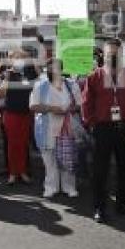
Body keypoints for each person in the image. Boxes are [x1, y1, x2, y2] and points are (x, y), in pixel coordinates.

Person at [82, 38, 125, 223]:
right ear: (104, 55)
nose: (113, 57)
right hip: (102, 129)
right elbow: (86, 103)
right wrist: (91, 123)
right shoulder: (94, 77)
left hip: (124, 128)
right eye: (109, 54)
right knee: (100, 171)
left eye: (116, 54)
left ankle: (123, 204)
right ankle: (99, 208)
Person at [30, 58, 83, 198]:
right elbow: (33, 106)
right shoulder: (40, 86)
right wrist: (51, 108)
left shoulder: (71, 85)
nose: (53, 71)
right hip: (47, 128)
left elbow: (79, 104)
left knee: (68, 158)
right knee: (50, 159)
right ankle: (51, 187)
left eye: (57, 68)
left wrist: (70, 109)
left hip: (67, 126)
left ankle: (69, 186)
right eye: (50, 69)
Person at [0, 51, 36, 185]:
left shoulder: (29, 73)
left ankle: (23, 171)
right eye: (15, 58)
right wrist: (7, 78)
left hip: (26, 113)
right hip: (11, 113)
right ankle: (13, 173)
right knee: (13, 144)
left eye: (21, 58)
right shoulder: (7, 74)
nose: (19, 60)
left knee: (24, 143)